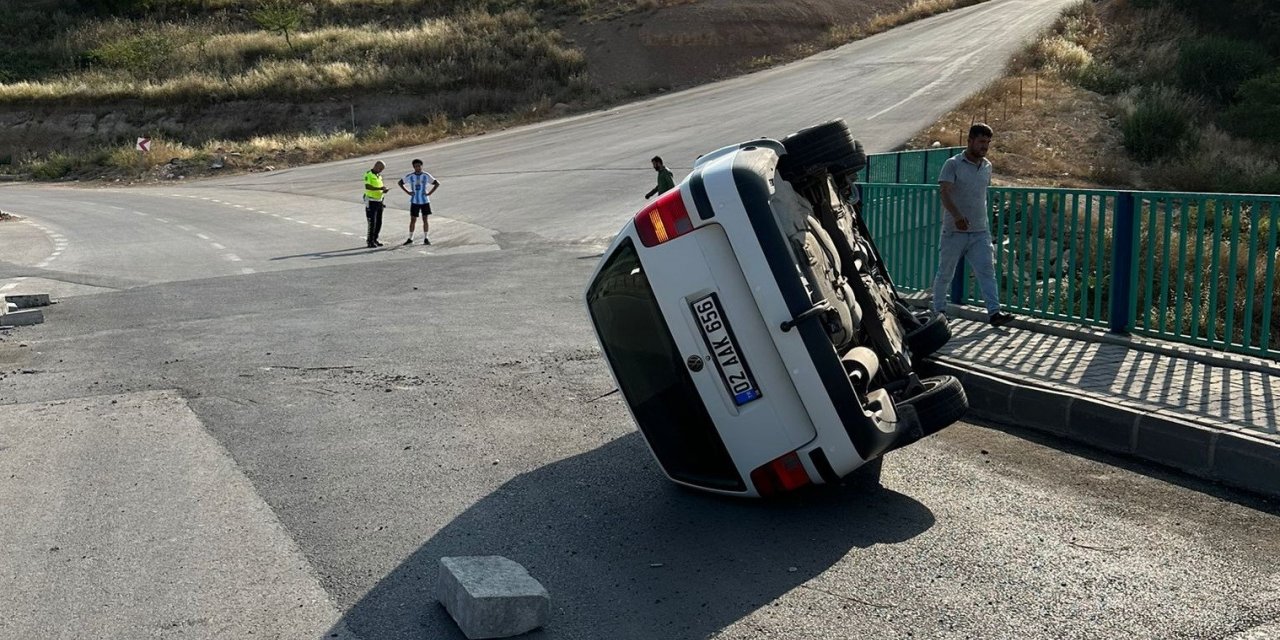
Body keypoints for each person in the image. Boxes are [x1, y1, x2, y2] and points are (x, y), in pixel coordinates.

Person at [931, 123, 1015, 327]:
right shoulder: (953, 164)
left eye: (987, 142)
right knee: (945, 273)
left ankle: (994, 313)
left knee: (987, 271)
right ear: (969, 141)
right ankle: (938, 312)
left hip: (980, 231)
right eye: (981, 142)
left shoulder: (987, 166)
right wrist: (957, 216)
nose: (984, 146)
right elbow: (945, 192)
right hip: (955, 231)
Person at [397, 159, 440, 245]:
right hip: (414, 201)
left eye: (419, 166)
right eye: (416, 166)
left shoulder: (426, 175)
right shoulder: (410, 176)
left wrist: (429, 193)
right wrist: (408, 192)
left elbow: (437, 183)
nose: (418, 168)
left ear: (422, 166)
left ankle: (426, 238)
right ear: (413, 167)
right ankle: (410, 238)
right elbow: (400, 183)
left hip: (424, 201)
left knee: (425, 219)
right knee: (413, 220)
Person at [363, 160, 390, 248]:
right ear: (376, 166)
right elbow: (368, 186)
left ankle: (375, 239)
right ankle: (370, 241)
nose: (381, 170)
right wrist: (380, 188)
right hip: (371, 201)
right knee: (372, 222)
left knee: (379, 222)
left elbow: (380, 189)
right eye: (381, 168)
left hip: (379, 201)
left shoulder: (379, 176)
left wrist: (383, 190)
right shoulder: (368, 174)